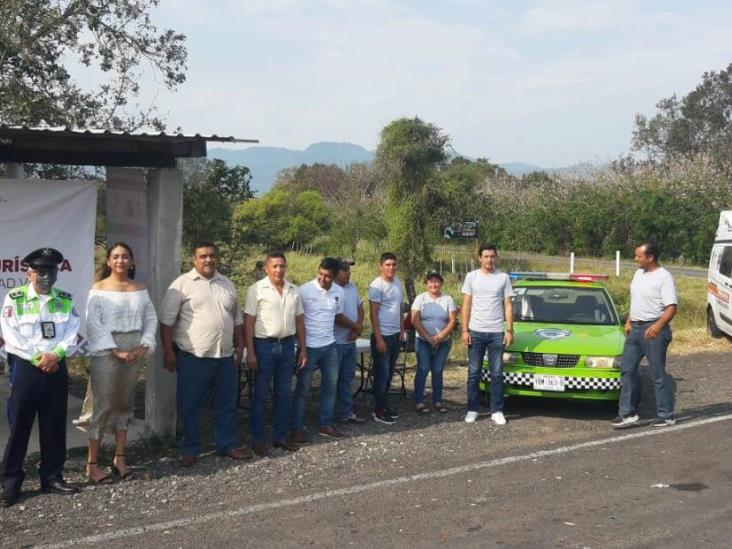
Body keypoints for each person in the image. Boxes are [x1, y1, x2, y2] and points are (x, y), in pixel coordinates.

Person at [0, 248, 81, 507]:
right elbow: (11, 335)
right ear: (28, 272)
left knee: (54, 424)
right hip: (26, 368)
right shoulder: (15, 298)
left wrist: (55, 355)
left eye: (51, 271)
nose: (46, 276)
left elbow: (72, 331)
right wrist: (39, 359)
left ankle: (52, 477)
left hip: (56, 367)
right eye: (40, 271)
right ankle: (10, 483)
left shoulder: (65, 299)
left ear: (57, 272)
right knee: (19, 426)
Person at [160, 242, 251, 466]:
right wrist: (168, 352)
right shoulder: (182, 284)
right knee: (190, 405)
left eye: (211, 256)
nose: (208, 260)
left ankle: (226, 445)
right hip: (194, 357)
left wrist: (240, 346)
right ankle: (190, 448)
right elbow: (166, 322)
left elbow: (237, 319)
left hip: (225, 357)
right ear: (194, 259)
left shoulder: (226, 283)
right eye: (203, 256)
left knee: (227, 404)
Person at [76, 242, 158, 483]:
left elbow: (151, 318)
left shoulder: (140, 289)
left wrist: (144, 344)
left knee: (124, 405)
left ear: (132, 262)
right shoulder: (98, 289)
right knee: (103, 406)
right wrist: (116, 351)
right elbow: (94, 323)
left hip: (134, 351)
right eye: (116, 257)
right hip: (107, 353)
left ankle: (119, 459)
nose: (120, 260)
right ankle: (92, 464)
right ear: (108, 262)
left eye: (125, 257)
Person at [245, 251, 306, 456]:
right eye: (275, 266)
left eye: (282, 266)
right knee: (261, 395)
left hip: (288, 346)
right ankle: (258, 440)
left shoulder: (293, 290)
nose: (279, 270)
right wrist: (250, 352)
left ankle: (280, 437)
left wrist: (303, 349)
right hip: (264, 346)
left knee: (283, 394)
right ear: (266, 268)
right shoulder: (256, 290)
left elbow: (299, 321)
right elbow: (249, 322)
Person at [611, 241, 678, 428]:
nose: (635, 259)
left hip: (654, 330)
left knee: (657, 374)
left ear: (650, 257)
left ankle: (666, 415)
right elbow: (636, 300)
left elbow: (671, 308)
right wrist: (629, 320)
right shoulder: (638, 273)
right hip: (635, 330)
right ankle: (627, 414)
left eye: (639, 256)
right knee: (627, 370)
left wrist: (657, 327)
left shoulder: (664, 277)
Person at [291, 257, 345, 440]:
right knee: (303, 388)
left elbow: (336, 316)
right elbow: (297, 320)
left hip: (329, 346)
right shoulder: (304, 291)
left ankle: (326, 424)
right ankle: (297, 427)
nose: (323, 279)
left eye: (328, 277)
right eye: (320, 274)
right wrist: (302, 348)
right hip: (309, 347)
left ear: (335, 276)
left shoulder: (339, 293)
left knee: (330, 386)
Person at [461, 244, 514, 426]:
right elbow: (466, 304)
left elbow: (507, 305)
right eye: (486, 256)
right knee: (474, 373)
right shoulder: (471, 277)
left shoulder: (503, 277)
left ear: (496, 257)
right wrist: (465, 330)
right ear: (479, 258)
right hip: (475, 331)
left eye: (492, 256)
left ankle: (497, 410)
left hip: (496, 332)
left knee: (497, 373)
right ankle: (472, 409)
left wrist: (509, 330)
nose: (489, 259)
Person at [411, 271, 458, 414]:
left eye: (436, 281)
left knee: (437, 370)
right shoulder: (420, 298)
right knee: (423, 369)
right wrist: (427, 337)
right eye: (430, 281)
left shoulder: (448, 299)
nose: (434, 284)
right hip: (423, 340)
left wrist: (440, 336)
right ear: (426, 284)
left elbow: (452, 321)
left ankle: (437, 401)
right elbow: (415, 320)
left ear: (441, 283)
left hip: (443, 341)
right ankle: (418, 401)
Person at [368, 252, 405, 425]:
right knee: (381, 374)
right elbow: (373, 313)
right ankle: (379, 410)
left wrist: (402, 330)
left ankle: (384, 404)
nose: (391, 268)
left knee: (390, 373)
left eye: (394, 264)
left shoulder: (398, 283)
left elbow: (399, 309)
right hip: (382, 335)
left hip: (395, 335)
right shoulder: (377, 285)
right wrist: (379, 338)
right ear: (381, 266)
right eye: (388, 265)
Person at [333, 257, 366, 424]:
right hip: (336, 342)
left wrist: (358, 327)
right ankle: (330, 413)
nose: (348, 273)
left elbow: (361, 308)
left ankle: (345, 411)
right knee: (332, 379)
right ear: (335, 271)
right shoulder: (331, 288)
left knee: (347, 378)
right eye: (344, 270)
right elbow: (335, 316)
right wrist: (355, 327)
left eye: (349, 269)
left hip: (350, 341)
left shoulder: (352, 287)